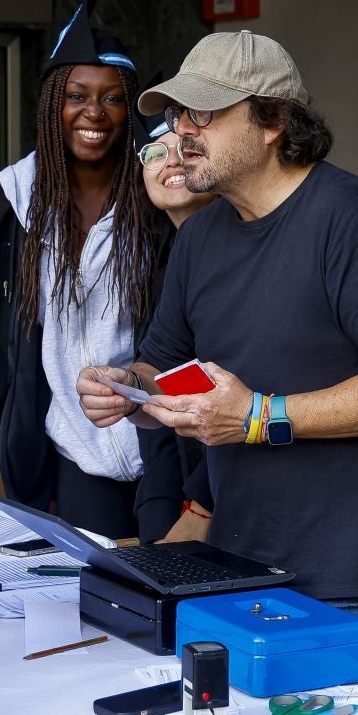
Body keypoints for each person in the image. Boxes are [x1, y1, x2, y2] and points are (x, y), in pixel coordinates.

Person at [74, 30, 358, 679]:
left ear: (273, 121)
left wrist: (259, 416)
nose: (183, 130)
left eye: (205, 113)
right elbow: (163, 361)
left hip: (352, 575)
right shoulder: (201, 235)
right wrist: (124, 387)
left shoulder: (353, 219)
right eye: (177, 113)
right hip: (237, 563)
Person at [0, 0, 176, 540]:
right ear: (52, 106)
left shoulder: (159, 200)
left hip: (168, 443)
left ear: (131, 108)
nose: (94, 113)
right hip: (73, 447)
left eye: (111, 99)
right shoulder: (16, 201)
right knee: (94, 599)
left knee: (174, 598)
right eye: (76, 96)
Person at [131, 84, 218, 543]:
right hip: (177, 487)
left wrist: (200, 507)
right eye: (154, 153)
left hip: (228, 496)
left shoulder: (240, 245)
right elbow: (162, 381)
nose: (172, 164)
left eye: (182, 148)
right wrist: (159, 508)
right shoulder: (156, 264)